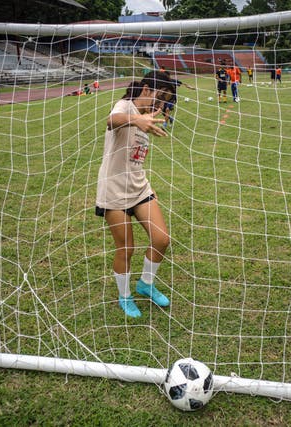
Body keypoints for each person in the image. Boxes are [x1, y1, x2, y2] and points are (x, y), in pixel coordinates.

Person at [95, 71, 176, 318]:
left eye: (165, 102)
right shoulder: (125, 106)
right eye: (160, 98)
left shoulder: (146, 117)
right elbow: (111, 120)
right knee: (126, 248)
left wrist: (143, 121)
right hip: (113, 192)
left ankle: (145, 285)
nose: (161, 106)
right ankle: (125, 296)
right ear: (146, 89)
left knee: (161, 239)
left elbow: (135, 159)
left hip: (140, 189)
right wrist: (135, 120)